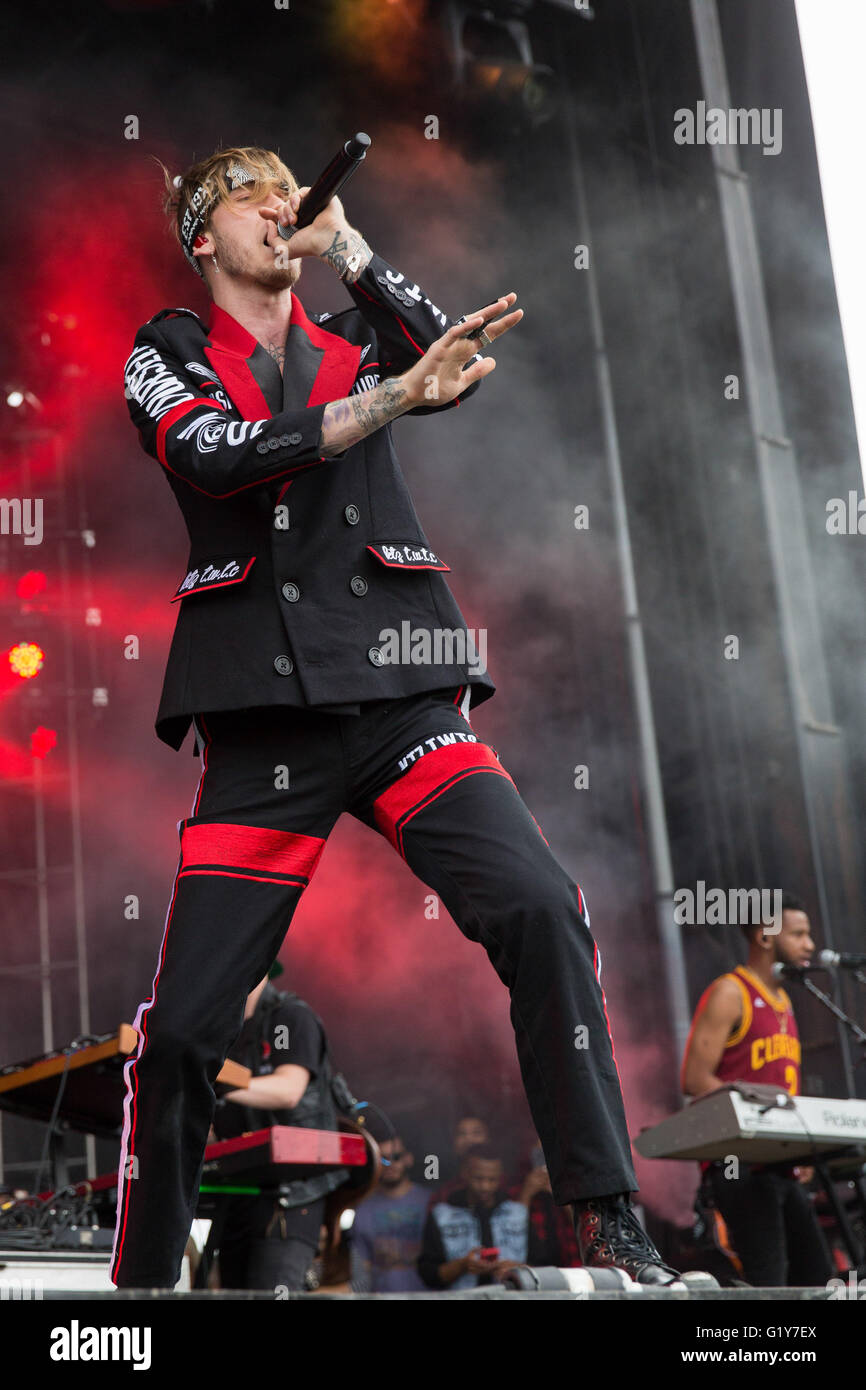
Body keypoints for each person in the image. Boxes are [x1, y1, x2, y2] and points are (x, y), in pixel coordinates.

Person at [111, 143, 676, 1289]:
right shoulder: (166, 349)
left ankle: (606, 1220)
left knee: (541, 906)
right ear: (198, 234)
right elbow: (214, 458)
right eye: (249, 194)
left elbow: (432, 356)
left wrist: (353, 251)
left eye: (291, 189)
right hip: (264, 718)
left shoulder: (350, 337)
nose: (281, 205)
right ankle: (141, 1289)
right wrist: (385, 401)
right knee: (177, 1037)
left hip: (397, 687)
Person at [681, 892, 834, 1286]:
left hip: (781, 1164)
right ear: (766, 936)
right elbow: (695, 1078)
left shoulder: (783, 999)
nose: (810, 945)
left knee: (816, 1275)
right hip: (740, 1163)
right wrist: (763, 1121)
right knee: (769, 1280)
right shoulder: (731, 992)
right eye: (799, 934)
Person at [203, 967, 344, 1290]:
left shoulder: (291, 1016)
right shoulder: (223, 1032)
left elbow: (288, 1091)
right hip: (238, 1192)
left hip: (292, 1194)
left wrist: (216, 1087)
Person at [418, 1143, 527, 1289]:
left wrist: (516, 1269)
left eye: (492, 1179)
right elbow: (429, 1275)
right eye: (479, 1178)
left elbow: (546, 1267)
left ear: (501, 1176)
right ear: (465, 1173)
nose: (485, 1186)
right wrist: (462, 1265)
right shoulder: (441, 1215)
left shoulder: (519, 1213)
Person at [349, 1135, 428, 1292]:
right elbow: (362, 1268)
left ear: (409, 1159)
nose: (390, 1164)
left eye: (396, 1157)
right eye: (383, 1159)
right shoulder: (362, 1209)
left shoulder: (430, 1201)